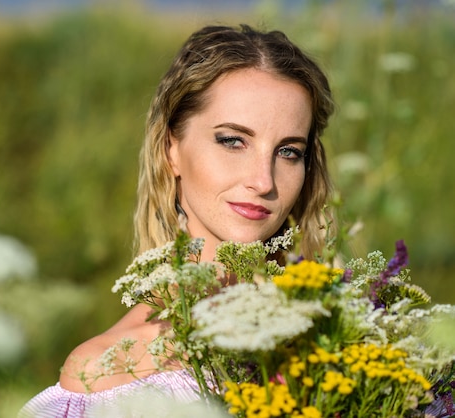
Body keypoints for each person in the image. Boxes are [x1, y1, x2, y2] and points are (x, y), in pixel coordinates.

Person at [19, 23, 335, 418]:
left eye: (288, 152)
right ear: (172, 149)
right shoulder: (105, 375)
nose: (263, 181)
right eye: (233, 141)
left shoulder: (340, 327)